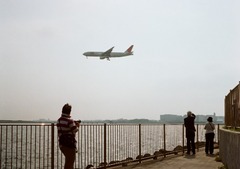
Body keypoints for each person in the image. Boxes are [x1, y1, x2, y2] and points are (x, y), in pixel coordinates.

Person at [57, 103, 80, 169]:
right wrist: (77, 125)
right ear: (69, 111)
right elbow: (75, 130)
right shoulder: (70, 121)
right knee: (70, 162)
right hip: (69, 145)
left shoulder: (59, 120)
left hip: (62, 144)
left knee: (68, 161)